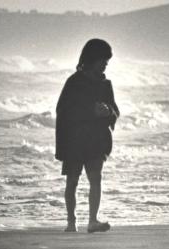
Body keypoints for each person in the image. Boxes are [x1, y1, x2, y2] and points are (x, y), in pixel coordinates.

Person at [55, 38, 119, 233]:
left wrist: (108, 111)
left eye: (107, 62)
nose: (105, 65)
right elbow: (62, 110)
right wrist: (91, 111)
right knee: (72, 180)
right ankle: (71, 222)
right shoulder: (74, 82)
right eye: (103, 61)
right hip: (74, 139)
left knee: (96, 178)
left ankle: (92, 220)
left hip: (97, 139)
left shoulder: (105, 84)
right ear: (92, 59)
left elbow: (115, 110)